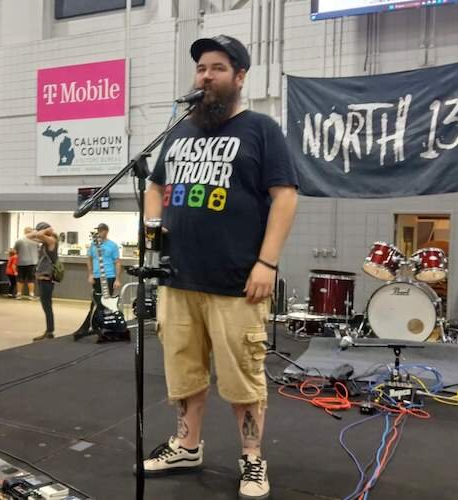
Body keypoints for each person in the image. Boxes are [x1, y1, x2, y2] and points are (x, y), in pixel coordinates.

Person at [143, 35, 298, 499]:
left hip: (236, 282)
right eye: (200, 68)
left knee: (242, 377)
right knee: (184, 372)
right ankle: (187, 445)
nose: (205, 76)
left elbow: (285, 197)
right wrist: (155, 224)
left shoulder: (261, 129)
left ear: (239, 77)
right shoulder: (179, 130)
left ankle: (251, 457)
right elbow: (155, 185)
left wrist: (267, 262)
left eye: (216, 68)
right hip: (178, 278)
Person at [27, 222, 58, 341]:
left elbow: (38, 234)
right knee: (46, 306)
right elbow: (28, 236)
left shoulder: (51, 241)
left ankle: (50, 331)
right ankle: (49, 330)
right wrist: (45, 231)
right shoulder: (44, 242)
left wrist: (47, 230)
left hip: (47, 279)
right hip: (42, 278)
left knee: (47, 306)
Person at [86, 223, 122, 298]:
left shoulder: (113, 245)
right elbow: (89, 260)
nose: (100, 232)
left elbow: (117, 262)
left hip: (109, 276)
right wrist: (90, 274)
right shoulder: (93, 244)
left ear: (107, 231)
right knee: (96, 298)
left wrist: (117, 279)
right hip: (96, 276)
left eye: (102, 230)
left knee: (108, 299)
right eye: (99, 230)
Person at [14, 227, 39, 300]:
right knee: (31, 279)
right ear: (31, 232)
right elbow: (38, 251)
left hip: (21, 262)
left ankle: (19, 294)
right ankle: (31, 295)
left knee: (20, 279)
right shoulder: (35, 241)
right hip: (32, 262)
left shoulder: (19, 240)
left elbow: (15, 251)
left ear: (24, 232)